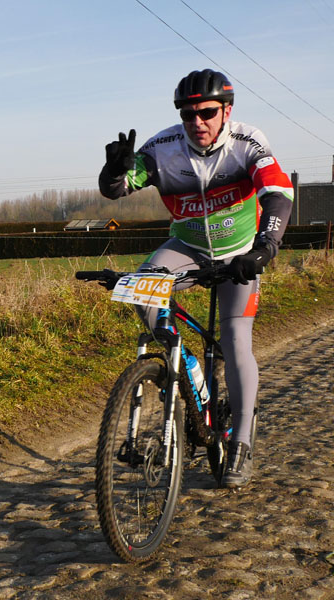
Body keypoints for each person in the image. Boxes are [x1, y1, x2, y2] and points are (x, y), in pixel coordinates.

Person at [99, 68, 293, 488]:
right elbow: (118, 188)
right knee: (142, 290)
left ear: (226, 111)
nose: (197, 122)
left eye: (207, 113)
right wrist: (113, 171)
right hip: (187, 249)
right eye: (188, 115)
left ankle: (240, 442)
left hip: (238, 256)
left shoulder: (248, 143)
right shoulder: (163, 148)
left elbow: (278, 194)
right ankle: (189, 372)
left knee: (235, 340)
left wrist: (265, 248)